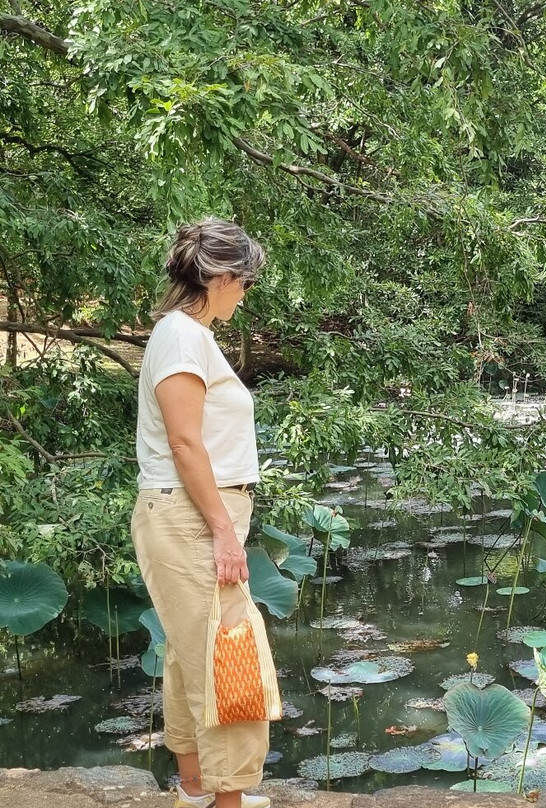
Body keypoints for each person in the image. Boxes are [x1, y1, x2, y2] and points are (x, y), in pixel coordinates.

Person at [130, 217, 272, 808]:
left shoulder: (185, 334)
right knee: (229, 656)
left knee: (195, 657)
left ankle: (196, 787)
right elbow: (186, 443)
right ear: (219, 277)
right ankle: (227, 801)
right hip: (191, 519)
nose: (246, 292)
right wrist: (224, 532)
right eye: (244, 281)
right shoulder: (184, 337)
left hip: (185, 516)